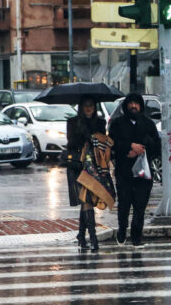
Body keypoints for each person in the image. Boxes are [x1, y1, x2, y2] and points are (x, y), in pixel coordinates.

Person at [109, 92, 160, 247]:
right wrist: (129, 147)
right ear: (126, 105)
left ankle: (137, 236)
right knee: (124, 204)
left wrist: (142, 148)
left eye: (136, 103)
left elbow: (157, 146)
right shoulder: (117, 123)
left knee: (140, 206)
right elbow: (112, 143)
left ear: (141, 106)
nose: (133, 106)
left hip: (143, 173)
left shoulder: (148, 123)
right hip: (124, 171)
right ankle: (122, 231)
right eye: (130, 103)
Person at [66, 96, 114, 251]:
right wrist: (82, 131)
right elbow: (71, 143)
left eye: (91, 105)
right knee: (85, 200)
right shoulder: (73, 122)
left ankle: (82, 235)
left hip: (94, 166)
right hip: (78, 166)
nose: (89, 108)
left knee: (87, 200)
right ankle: (93, 238)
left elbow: (102, 142)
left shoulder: (100, 123)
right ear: (81, 107)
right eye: (86, 105)